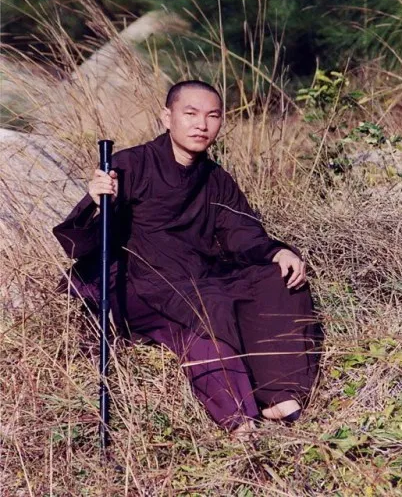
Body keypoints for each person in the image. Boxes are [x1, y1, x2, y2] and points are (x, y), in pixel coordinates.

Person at [53, 80, 323, 439]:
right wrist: (100, 202)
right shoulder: (130, 165)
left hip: (199, 274)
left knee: (277, 279)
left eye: (213, 116)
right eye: (191, 114)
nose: (202, 125)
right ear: (167, 117)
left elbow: (241, 231)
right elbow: (87, 241)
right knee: (206, 303)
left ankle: (278, 392)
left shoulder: (215, 178)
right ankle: (237, 414)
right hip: (140, 282)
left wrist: (277, 251)